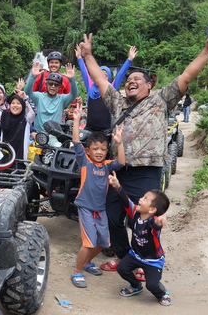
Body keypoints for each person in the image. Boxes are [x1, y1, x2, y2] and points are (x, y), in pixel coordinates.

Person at [78, 33, 208, 274]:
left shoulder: (161, 100)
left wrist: (207, 52)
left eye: (137, 79)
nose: (131, 81)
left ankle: (143, 261)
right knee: (111, 216)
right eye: (129, 78)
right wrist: (87, 55)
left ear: (149, 84)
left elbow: (187, 75)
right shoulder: (118, 103)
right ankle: (125, 257)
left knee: (143, 222)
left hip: (147, 173)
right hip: (118, 172)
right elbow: (99, 80)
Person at [70, 98, 125, 288]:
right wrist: (77, 120)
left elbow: (122, 162)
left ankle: (86, 263)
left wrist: (119, 143)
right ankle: (77, 271)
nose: (99, 152)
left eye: (103, 149)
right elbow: (76, 141)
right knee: (89, 242)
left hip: (100, 209)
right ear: (88, 150)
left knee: (103, 242)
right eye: (95, 149)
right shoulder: (85, 162)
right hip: (85, 207)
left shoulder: (108, 165)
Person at [108, 171, 171, 306]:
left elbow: (155, 227)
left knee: (152, 285)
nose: (141, 199)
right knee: (122, 269)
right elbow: (126, 201)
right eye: (143, 197)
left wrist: (159, 223)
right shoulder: (136, 213)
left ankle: (162, 293)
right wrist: (117, 187)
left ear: (152, 210)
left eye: (145, 199)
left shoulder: (152, 222)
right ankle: (136, 285)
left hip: (153, 260)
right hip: (136, 255)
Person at [75, 45, 137, 132]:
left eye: (106, 75)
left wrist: (129, 59)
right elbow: (85, 72)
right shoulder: (90, 87)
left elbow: (120, 74)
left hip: (105, 129)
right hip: (89, 128)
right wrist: (79, 57)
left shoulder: (111, 88)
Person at [24, 63, 78, 133]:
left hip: (56, 135)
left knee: (57, 144)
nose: (53, 86)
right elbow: (27, 92)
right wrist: (32, 76)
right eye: (50, 84)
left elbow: (74, 94)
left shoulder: (62, 99)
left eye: (56, 85)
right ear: (46, 85)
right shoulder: (38, 97)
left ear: (59, 87)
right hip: (39, 134)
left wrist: (72, 79)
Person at [0, 92, 36, 160]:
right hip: (4, 158)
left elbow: (34, 111)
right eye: (13, 103)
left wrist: (25, 97)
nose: (15, 105)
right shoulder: (3, 116)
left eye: (18, 103)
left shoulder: (26, 119)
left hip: (20, 159)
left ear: (23, 106)